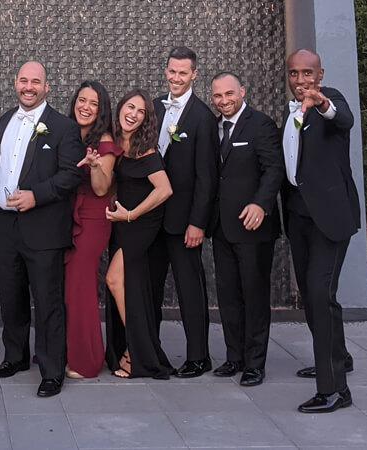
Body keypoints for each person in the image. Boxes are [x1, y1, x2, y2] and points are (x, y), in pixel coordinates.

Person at [0, 61, 84, 397]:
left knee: (47, 301)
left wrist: (36, 195)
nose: (29, 87)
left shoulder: (62, 127)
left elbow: (71, 174)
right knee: (10, 296)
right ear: (15, 83)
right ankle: (14, 357)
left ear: (47, 86)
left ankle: (51, 370)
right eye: (23, 81)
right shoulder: (4, 120)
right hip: (4, 224)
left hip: (42, 227)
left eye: (36, 82)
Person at [281, 49, 359, 413]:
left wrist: (321, 101)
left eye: (307, 73)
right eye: (294, 74)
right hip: (298, 217)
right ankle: (338, 356)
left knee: (319, 294)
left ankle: (334, 390)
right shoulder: (288, 112)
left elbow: (343, 119)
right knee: (314, 297)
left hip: (330, 218)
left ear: (320, 73)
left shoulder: (332, 101)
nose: (300, 81)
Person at [209, 72, 284, 387]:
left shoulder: (260, 124)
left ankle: (255, 363)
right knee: (228, 294)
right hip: (221, 226)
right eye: (218, 96)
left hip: (253, 227)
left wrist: (260, 204)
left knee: (254, 295)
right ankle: (234, 357)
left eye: (229, 94)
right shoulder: (213, 127)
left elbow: (274, 168)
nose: (224, 101)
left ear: (242, 91)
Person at [150, 46, 218, 378]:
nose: (176, 78)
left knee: (190, 289)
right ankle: (150, 352)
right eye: (172, 71)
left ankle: (199, 356)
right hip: (152, 219)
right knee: (149, 288)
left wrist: (197, 223)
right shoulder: (154, 108)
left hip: (183, 222)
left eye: (183, 72)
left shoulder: (203, 117)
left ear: (194, 75)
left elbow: (207, 177)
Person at [104, 89, 174, 379]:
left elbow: (165, 189)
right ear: (121, 107)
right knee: (128, 287)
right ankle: (136, 348)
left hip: (140, 224)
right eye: (129, 107)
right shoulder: (117, 140)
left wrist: (131, 214)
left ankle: (138, 352)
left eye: (140, 112)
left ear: (146, 119)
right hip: (121, 223)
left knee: (113, 278)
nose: (132, 114)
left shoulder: (146, 149)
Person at [64, 80, 118, 379]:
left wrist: (95, 165)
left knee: (80, 289)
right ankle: (64, 349)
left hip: (92, 220)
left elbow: (100, 189)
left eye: (93, 103)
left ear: (101, 110)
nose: (85, 107)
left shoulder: (105, 141)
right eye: (81, 100)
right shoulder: (67, 134)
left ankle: (87, 361)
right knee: (66, 288)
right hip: (66, 216)